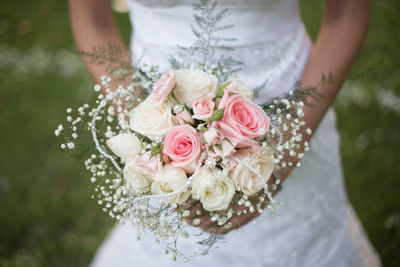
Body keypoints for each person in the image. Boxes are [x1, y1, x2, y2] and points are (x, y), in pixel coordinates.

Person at [69, 0, 382, 266]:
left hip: (295, 111)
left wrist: (285, 150)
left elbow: (348, 12)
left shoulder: (290, 137)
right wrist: (149, 131)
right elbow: (92, 20)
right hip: (162, 140)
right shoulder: (154, 143)